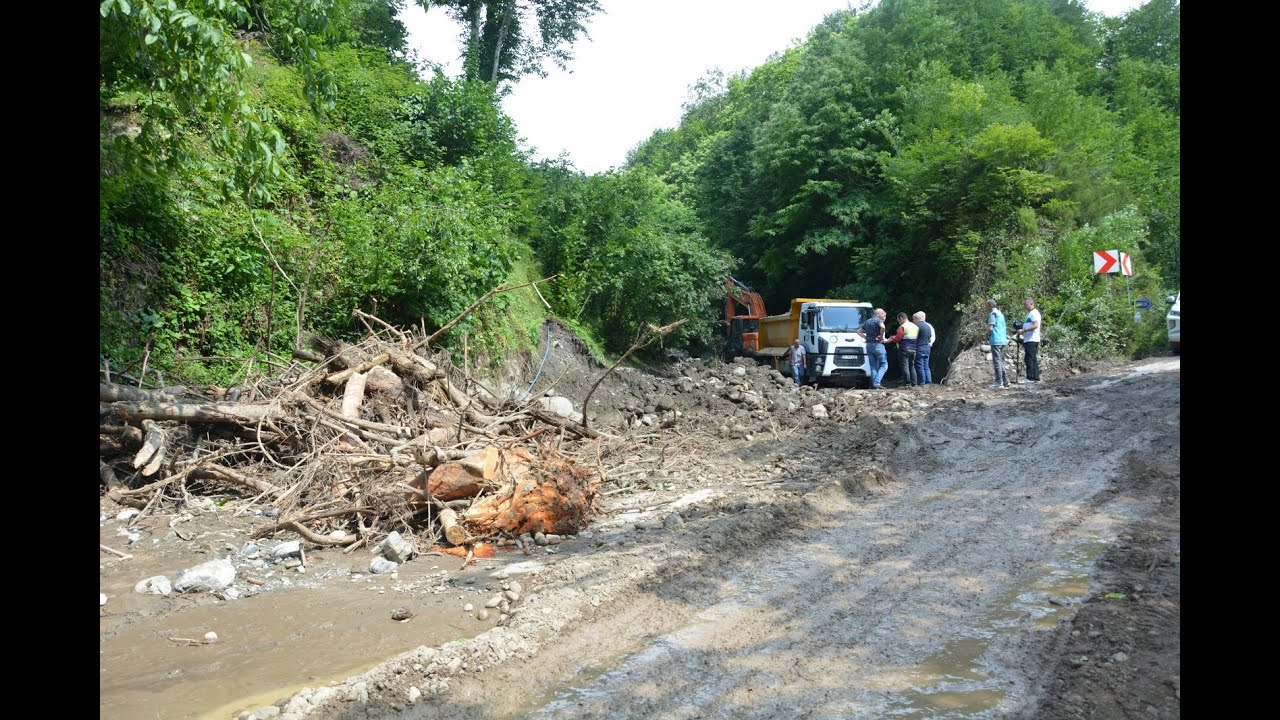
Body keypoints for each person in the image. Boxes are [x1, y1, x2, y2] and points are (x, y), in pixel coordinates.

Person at [883, 312, 919, 387]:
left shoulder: (903, 327)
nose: (899, 322)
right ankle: (914, 383)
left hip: (904, 349)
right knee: (912, 366)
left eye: (899, 320)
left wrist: (892, 337)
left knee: (905, 366)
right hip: (914, 349)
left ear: (901, 318)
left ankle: (907, 383)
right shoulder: (915, 327)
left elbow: (897, 339)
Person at [857, 308, 888, 389]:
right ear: (877, 314)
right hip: (877, 345)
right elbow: (883, 327)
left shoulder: (867, 321)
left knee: (873, 366)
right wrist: (881, 336)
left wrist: (866, 338)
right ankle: (877, 382)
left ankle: (875, 387)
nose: (883, 315)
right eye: (882, 313)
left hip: (869, 345)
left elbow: (858, 331)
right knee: (884, 365)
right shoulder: (878, 321)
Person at [1014, 296, 1042, 383]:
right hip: (1029, 339)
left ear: (1031, 303)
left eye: (1026, 304)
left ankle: (1030, 378)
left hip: (1032, 339)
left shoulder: (1034, 313)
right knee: (1032, 358)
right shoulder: (1031, 313)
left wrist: (1024, 330)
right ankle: (1035, 377)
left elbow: (1036, 325)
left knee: (1029, 358)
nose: (1024, 306)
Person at [985, 299, 1010, 388]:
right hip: (1002, 339)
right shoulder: (1000, 313)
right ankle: (1006, 381)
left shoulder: (992, 314)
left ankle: (999, 382)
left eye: (986, 305)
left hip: (996, 339)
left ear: (990, 305)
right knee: (999, 360)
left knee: (996, 361)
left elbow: (991, 328)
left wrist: (986, 335)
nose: (985, 307)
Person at [913, 311, 935, 385]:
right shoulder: (928, 326)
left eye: (914, 319)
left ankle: (922, 382)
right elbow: (930, 337)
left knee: (920, 366)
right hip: (927, 347)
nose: (913, 321)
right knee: (926, 366)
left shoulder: (917, 327)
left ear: (916, 318)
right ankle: (928, 382)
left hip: (920, 347)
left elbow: (914, 338)